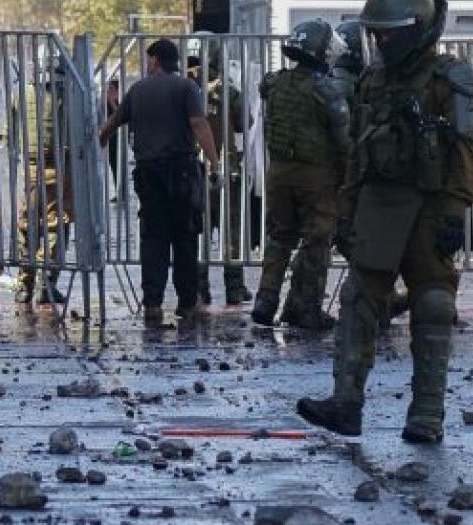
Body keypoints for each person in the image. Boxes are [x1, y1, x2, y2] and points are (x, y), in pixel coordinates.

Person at [296, 0, 473, 443]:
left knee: (433, 304)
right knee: (358, 299)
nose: (380, 41)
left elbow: (467, 150)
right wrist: (347, 209)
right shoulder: (374, 80)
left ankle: (426, 416)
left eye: (387, 33)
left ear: (414, 29)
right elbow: (359, 150)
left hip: (431, 205)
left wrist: (456, 210)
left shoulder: (449, 77)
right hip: (379, 203)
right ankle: (346, 404)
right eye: (376, 34)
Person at [99, 39, 219, 326]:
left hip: (149, 173)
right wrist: (214, 162)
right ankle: (187, 304)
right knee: (184, 238)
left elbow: (113, 122)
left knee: (154, 239)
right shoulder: (186, 88)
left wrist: (98, 142)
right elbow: (199, 124)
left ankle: (152, 303)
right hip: (182, 172)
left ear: (155, 60)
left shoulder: (138, 90)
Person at [252, 19, 350, 331]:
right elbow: (343, 143)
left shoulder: (275, 83)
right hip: (316, 176)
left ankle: (265, 300)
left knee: (279, 237)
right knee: (316, 241)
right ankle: (307, 308)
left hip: (279, 172)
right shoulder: (328, 92)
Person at [192, 46, 253, 306]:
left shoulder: (184, 88)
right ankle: (234, 287)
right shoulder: (226, 90)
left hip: (193, 168)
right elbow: (246, 121)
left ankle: (199, 287)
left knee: (198, 230)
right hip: (225, 166)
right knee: (231, 228)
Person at [12, 56, 74, 305]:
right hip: (59, 166)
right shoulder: (67, 94)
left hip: (29, 167)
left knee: (27, 224)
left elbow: (9, 132)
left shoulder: (21, 92)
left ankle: (24, 284)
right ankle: (46, 282)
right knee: (56, 224)